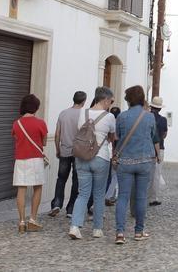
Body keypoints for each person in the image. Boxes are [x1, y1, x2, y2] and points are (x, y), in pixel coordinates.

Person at [113, 85, 160, 244]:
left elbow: (117, 137)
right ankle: (138, 231)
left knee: (123, 197)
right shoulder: (150, 117)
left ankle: (120, 233)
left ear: (128, 100)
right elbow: (153, 135)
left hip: (125, 161)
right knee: (141, 197)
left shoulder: (122, 117)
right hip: (145, 160)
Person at [69, 86, 116, 240]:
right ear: (106, 99)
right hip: (100, 158)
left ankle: (75, 226)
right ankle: (97, 229)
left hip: (81, 157)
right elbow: (112, 136)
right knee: (99, 194)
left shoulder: (83, 112)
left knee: (82, 193)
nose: (111, 103)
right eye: (111, 101)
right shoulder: (109, 117)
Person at [12, 94, 48, 233]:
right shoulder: (40, 123)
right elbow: (44, 142)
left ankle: (21, 222)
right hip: (35, 159)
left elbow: (16, 138)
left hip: (20, 159)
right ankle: (32, 219)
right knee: (37, 188)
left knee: (21, 189)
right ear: (36, 108)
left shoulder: (17, 123)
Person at [49, 90, 86, 217]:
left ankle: (57, 203)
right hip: (78, 153)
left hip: (64, 150)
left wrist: (57, 149)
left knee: (61, 178)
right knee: (76, 180)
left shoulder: (63, 113)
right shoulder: (84, 114)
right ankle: (70, 209)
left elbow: (57, 134)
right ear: (84, 101)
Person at [147, 96, 168, 206]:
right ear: (160, 108)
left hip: (146, 148)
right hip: (159, 147)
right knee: (156, 174)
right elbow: (164, 135)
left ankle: (144, 195)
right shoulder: (163, 120)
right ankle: (153, 197)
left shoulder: (146, 117)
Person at [104, 106, 122, 207]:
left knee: (108, 177)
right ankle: (109, 196)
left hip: (106, 152)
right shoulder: (118, 125)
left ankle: (109, 195)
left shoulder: (108, 122)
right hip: (114, 153)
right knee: (114, 176)